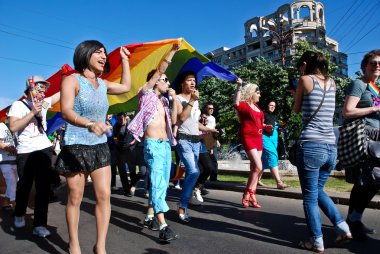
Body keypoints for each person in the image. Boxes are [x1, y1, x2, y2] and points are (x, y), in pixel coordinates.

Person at [55, 40, 131, 254]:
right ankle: (74, 245)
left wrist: (125, 61)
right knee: (75, 198)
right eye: (98, 52)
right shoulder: (72, 80)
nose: (103, 56)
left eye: (105, 53)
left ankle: (101, 247)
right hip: (76, 145)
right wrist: (90, 124)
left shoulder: (104, 84)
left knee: (104, 195)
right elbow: (66, 112)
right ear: (85, 54)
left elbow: (126, 87)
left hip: (99, 147)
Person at [293, 51, 351, 252]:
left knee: (309, 197)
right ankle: (342, 227)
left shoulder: (304, 80)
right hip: (330, 146)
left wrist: (301, 76)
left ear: (305, 64)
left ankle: (316, 240)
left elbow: (296, 109)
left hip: (311, 145)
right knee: (317, 190)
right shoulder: (333, 83)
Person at [128, 43, 180, 242]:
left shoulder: (165, 102)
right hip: (153, 146)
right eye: (165, 80)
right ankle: (163, 225)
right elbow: (160, 70)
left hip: (166, 146)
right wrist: (173, 51)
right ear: (156, 81)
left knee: (162, 185)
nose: (168, 83)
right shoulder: (146, 94)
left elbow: (174, 121)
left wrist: (174, 100)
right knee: (158, 184)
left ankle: (149, 216)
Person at [8, 75, 60, 237]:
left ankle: (39, 225)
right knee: (24, 186)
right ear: (31, 87)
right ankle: (19, 214)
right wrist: (32, 112)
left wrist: (68, 75)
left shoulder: (43, 103)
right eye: (40, 85)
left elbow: (62, 93)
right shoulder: (18, 105)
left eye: (45, 86)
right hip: (26, 151)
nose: (43, 88)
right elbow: (14, 126)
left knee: (43, 188)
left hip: (44, 149)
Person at [342, 50, 380, 240]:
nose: (377, 66)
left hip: (377, 139)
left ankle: (354, 219)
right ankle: (353, 220)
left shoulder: (376, 87)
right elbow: (347, 111)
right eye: (373, 63)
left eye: (379, 63)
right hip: (364, 138)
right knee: (367, 180)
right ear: (365, 65)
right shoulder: (359, 84)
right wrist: (375, 108)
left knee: (371, 182)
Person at [175, 71, 217, 222]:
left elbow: (194, 122)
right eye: (189, 80)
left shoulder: (196, 101)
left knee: (194, 172)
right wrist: (192, 100)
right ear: (182, 83)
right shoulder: (178, 98)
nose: (193, 83)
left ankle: (187, 196)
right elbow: (182, 117)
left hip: (196, 141)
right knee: (193, 171)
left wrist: (210, 130)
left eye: (194, 80)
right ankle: (183, 204)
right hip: (183, 139)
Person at [233, 78, 272, 209]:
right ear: (251, 92)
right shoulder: (244, 105)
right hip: (248, 137)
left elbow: (260, 123)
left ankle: (251, 195)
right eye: (258, 93)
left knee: (254, 169)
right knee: (259, 166)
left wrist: (265, 126)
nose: (260, 95)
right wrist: (239, 87)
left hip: (258, 138)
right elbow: (236, 103)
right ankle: (248, 193)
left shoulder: (257, 108)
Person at [260, 100, 288, 189]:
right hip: (265, 139)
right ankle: (279, 182)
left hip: (273, 141)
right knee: (273, 156)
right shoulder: (262, 114)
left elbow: (279, 123)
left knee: (263, 161)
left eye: (274, 106)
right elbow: (257, 124)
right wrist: (265, 126)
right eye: (271, 105)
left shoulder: (274, 116)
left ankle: (256, 179)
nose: (272, 107)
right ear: (267, 105)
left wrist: (284, 124)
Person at [113, 113, 138, 196]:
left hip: (130, 149)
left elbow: (136, 137)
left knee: (132, 170)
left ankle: (132, 185)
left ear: (125, 117)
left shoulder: (132, 124)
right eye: (118, 119)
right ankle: (126, 189)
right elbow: (115, 136)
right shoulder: (116, 125)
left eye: (121, 119)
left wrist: (130, 144)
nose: (120, 121)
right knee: (122, 170)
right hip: (120, 150)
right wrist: (116, 140)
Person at [193, 113, 215, 203]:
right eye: (204, 117)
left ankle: (197, 188)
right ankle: (193, 192)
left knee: (209, 168)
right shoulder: (195, 123)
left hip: (203, 147)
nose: (205, 119)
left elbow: (208, 139)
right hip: (193, 146)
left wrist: (211, 145)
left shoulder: (206, 126)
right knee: (198, 170)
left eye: (207, 118)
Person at [0, 107, 17, 210]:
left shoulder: (16, 126)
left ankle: (5, 202)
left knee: (14, 182)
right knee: (11, 182)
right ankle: (16, 207)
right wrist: (12, 150)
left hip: (16, 160)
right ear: (6, 113)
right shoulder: (1, 126)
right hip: (5, 160)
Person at [205, 103, 220, 184]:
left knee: (214, 159)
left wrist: (216, 140)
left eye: (212, 108)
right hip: (206, 139)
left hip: (213, 139)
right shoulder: (203, 117)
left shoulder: (213, 118)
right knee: (206, 159)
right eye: (209, 108)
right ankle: (203, 177)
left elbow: (214, 129)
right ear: (206, 109)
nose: (211, 109)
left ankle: (213, 178)